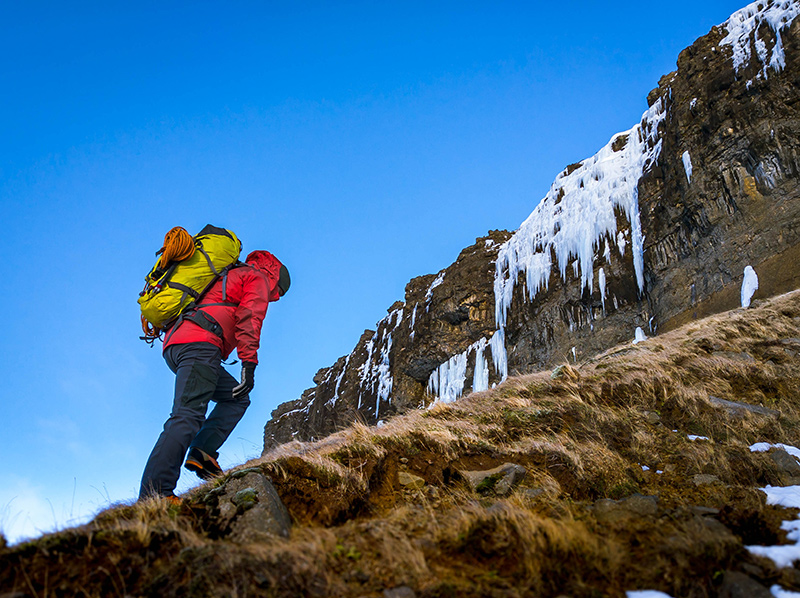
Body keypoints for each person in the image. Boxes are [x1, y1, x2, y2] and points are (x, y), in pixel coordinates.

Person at [139, 249, 290, 501]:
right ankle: (155, 494)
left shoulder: (230, 273)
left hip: (180, 343)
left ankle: (202, 452)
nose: (275, 298)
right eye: (279, 293)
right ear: (276, 280)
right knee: (186, 417)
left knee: (236, 398)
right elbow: (249, 317)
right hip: (200, 345)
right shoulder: (257, 278)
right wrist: (248, 364)